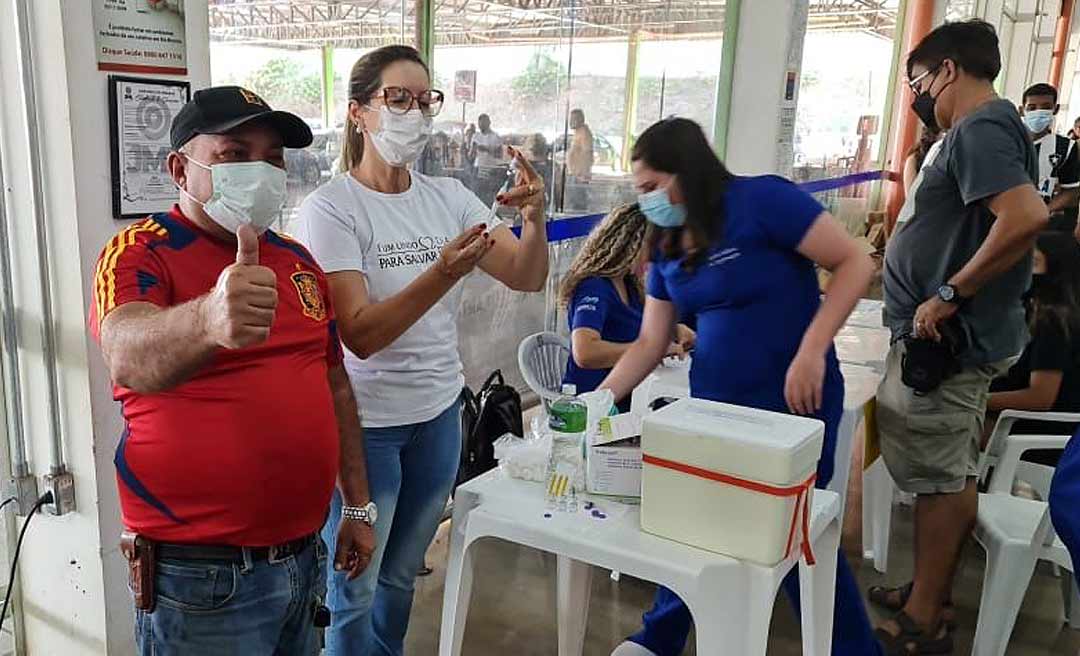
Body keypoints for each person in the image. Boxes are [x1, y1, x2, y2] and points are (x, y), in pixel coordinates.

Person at [90, 86, 375, 654]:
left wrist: (359, 506)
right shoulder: (141, 251)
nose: (260, 171)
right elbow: (125, 351)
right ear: (180, 167)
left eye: (272, 158)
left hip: (304, 555)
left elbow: (334, 384)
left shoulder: (297, 260)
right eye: (234, 154)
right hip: (201, 578)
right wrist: (207, 320)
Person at [292, 45, 549, 656]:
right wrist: (442, 273)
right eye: (397, 99)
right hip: (368, 428)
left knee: (403, 573)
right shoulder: (332, 208)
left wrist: (535, 217)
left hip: (437, 416)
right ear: (359, 113)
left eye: (423, 99)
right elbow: (359, 332)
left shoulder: (447, 196)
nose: (415, 112)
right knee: (354, 582)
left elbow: (526, 275)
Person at [599, 118, 878, 656]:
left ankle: (852, 648)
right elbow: (649, 342)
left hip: (794, 400)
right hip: (716, 408)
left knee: (795, 532)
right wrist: (596, 401)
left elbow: (853, 262)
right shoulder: (666, 244)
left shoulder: (762, 201)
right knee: (696, 520)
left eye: (651, 186)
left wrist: (812, 349)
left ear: (687, 171)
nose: (647, 201)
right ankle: (659, 637)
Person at [872, 20, 1048, 653]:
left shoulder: (983, 125)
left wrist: (950, 294)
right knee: (939, 472)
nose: (918, 94)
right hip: (945, 338)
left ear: (947, 70)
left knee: (942, 479)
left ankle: (924, 616)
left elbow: (1025, 215)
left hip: (951, 342)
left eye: (919, 80)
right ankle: (929, 584)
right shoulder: (969, 132)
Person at [558, 204, 693, 412]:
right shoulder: (594, 286)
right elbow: (585, 352)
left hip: (629, 398)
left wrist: (676, 330)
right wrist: (653, 352)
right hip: (596, 405)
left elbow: (639, 324)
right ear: (631, 245)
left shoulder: (630, 286)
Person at [988, 231, 1080, 463]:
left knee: (937, 427)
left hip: (1033, 433)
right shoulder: (1057, 315)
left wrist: (978, 400)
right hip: (1035, 425)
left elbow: (1039, 398)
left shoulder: (1055, 324)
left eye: (1034, 263)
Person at [1021, 83, 1080, 232]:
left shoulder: (1066, 147)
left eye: (1046, 107)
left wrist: (1045, 210)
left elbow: (1071, 191)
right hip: (1002, 221)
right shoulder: (1006, 141)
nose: (1038, 112)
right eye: (1032, 107)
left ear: (1056, 109)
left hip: (1042, 226)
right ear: (1022, 110)